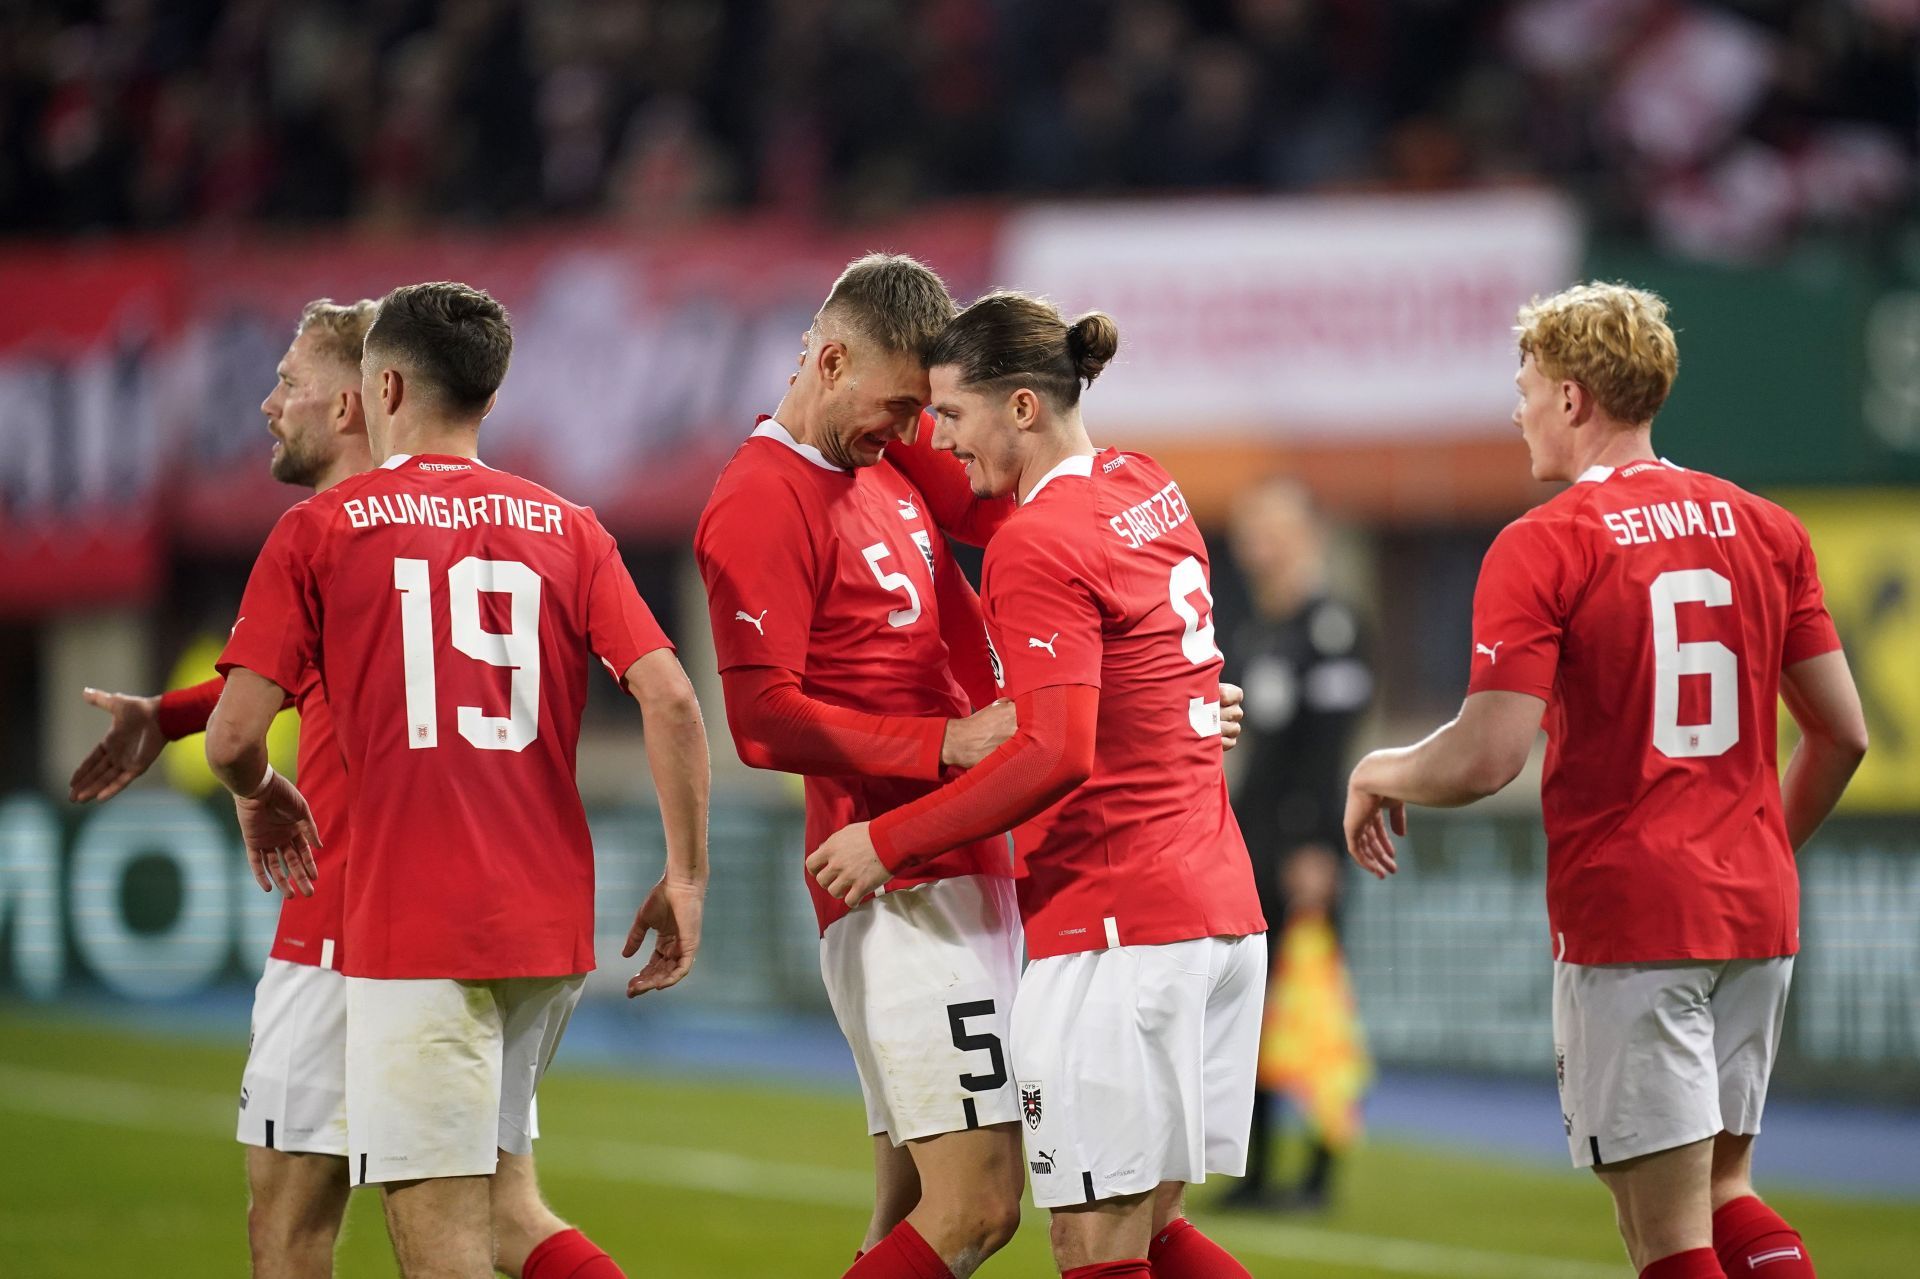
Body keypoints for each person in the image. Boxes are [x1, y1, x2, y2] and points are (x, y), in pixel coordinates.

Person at [68, 296, 642, 1279]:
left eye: (289, 382)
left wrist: (240, 772)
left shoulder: (331, 530)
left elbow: (266, 711)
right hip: (495, 910)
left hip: (358, 920)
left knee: (301, 1231)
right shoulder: (452, 528)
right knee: (505, 1210)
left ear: (357, 401)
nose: (268, 403)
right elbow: (313, 672)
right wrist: (169, 714)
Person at [1343, 282, 1867, 1279]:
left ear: (1576, 399)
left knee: (1666, 1240)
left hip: (1634, 917)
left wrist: (1383, 765)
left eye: (1527, 385)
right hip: (1755, 908)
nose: (1517, 408)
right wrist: (1750, 844)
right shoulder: (1767, 527)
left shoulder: (1545, 543)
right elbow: (1841, 734)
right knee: (1725, 1192)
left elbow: (1488, 753)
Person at [203, 281, 711, 1279]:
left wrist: (260, 789)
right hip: (547, 930)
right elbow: (675, 701)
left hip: (413, 927)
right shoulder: (570, 524)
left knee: (436, 1244)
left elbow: (231, 740)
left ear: (382, 385)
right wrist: (687, 877)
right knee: (505, 1204)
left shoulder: (324, 528)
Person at [808, 292, 1267, 1279]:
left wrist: (891, 840)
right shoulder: (1146, 483)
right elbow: (1152, 671)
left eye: (955, 413)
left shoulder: (1034, 537)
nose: (942, 439)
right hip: (1218, 910)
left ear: (1022, 407)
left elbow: (1056, 751)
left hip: (1119, 922)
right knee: (1150, 1230)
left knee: (1092, 1242)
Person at [695, 253, 1029, 1279]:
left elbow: (1023, 504)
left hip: (966, 860)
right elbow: (759, 719)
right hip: (897, 883)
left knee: (911, 1212)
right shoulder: (758, 500)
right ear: (830, 358)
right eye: (894, 405)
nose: (907, 428)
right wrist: (944, 742)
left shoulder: (888, 463)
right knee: (977, 1209)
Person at [1220, 478, 1373, 1210]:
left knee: (1310, 1004)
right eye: (1251, 529)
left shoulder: (1331, 624)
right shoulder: (1257, 631)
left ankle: (1316, 1172)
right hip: (1248, 848)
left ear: (1306, 535)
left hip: (1303, 849)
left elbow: (1330, 746)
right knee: (1248, 1007)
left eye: (1270, 528)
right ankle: (1251, 1170)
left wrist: (1316, 843)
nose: (1255, 544)